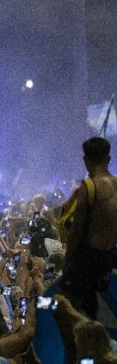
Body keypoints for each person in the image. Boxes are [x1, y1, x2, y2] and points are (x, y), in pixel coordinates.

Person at [62, 136, 117, 318]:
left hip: (89, 259)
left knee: (62, 303)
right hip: (111, 256)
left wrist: (67, 262)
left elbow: (77, 231)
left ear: (86, 160)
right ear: (108, 159)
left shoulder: (89, 186)